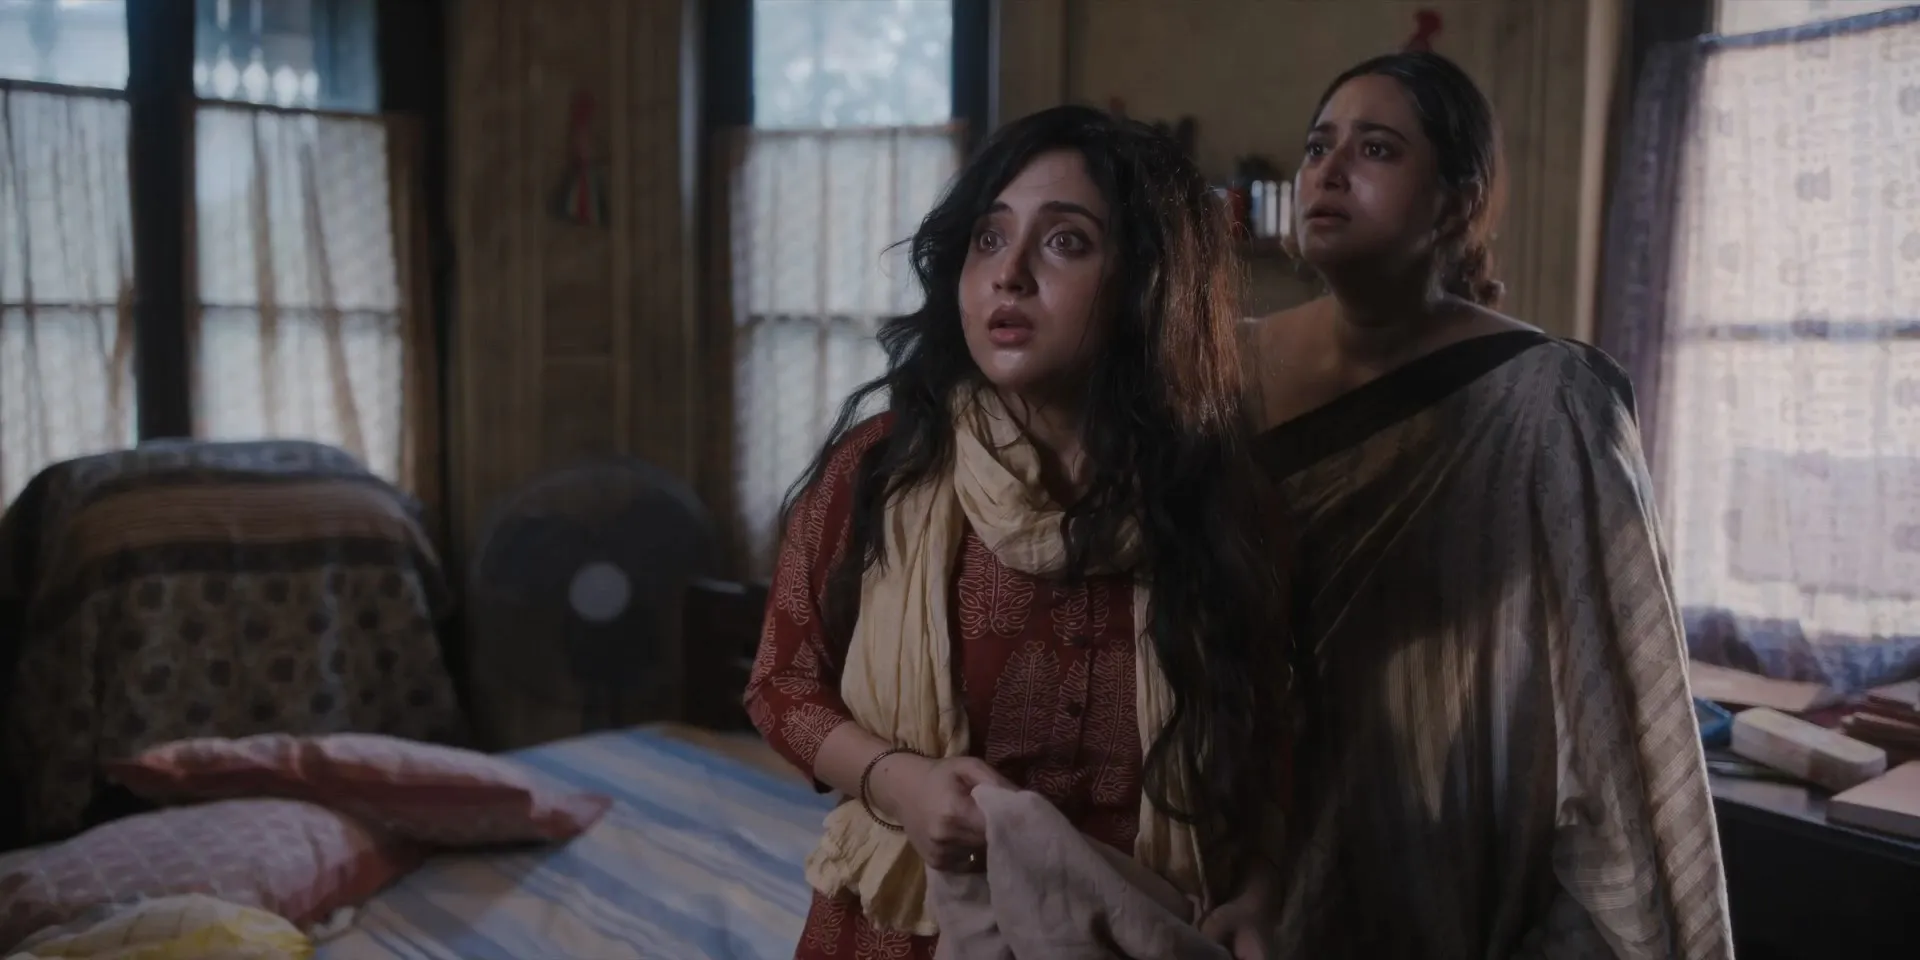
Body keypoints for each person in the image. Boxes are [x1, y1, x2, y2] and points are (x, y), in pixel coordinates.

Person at [745, 104, 1290, 959]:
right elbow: (781, 686)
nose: (1009, 275)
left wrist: (1255, 895)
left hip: (1140, 928)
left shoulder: (1214, 494)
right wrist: (902, 784)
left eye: (1065, 242)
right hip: (906, 926)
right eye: (990, 239)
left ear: (1148, 281)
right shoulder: (884, 469)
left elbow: (1268, 738)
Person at [1242, 52, 1734, 958]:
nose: (1330, 170)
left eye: (1377, 149)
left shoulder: (1545, 400)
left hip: (1425, 839)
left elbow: (1614, 685)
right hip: (1234, 820)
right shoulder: (1219, 370)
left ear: (1456, 203)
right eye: (1318, 146)